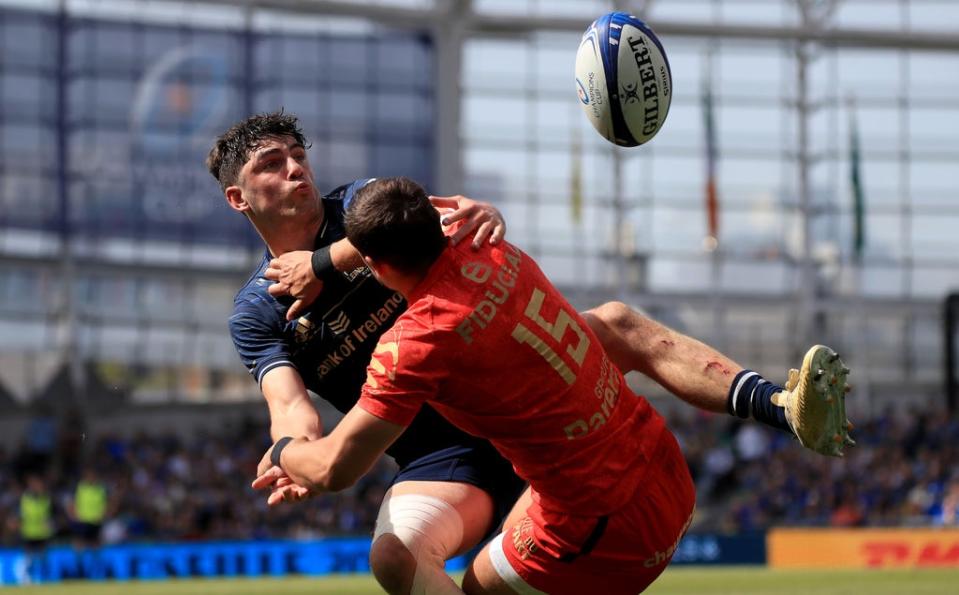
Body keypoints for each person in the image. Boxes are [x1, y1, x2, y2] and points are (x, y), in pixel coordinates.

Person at [252, 177, 853, 594]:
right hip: (665, 468)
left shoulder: (414, 342)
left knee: (470, 588)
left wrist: (284, 454)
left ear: (378, 267)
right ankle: (776, 402)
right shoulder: (489, 244)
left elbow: (334, 470)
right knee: (615, 321)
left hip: (605, 524)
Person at [208, 112, 528, 594]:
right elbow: (290, 407)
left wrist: (320, 264)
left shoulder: (360, 204)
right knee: (395, 557)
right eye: (273, 163)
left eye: (299, 156)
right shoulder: (256, 313)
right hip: (442, 457)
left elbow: (411, 221)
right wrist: (296, 457)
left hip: (509, 408)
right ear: (238, 198)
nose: (296, 169)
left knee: (514, 579)